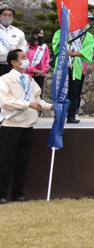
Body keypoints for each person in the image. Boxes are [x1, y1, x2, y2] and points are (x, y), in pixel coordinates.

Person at [0, 49, 45, 204]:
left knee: (23, 161)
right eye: (23, 57)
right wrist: (28, 104)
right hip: (11, 126)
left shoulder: (30, 80)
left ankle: (17, 194)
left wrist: (52, 107)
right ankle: (1, 194)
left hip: (27, 126)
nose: (26, 60)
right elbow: (6, 101)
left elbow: (38, 100)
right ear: (14, 62)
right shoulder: (4, 79)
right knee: (7, 161)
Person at [52, 23, 94, 124]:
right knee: (60, 91)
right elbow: (55, 43)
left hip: (76, 66)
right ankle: (58, 114)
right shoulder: (61, 32)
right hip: (62, 64)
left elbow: (88, 50)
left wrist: (74, 53)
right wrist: (62, 42)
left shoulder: (88, 36)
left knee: (74, 92)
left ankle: (71, 115)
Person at [0, 8, 27, 76]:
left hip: (13, 65)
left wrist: (17, 51)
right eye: (5, 15)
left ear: (12, 18)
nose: (7, 17)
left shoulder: (18, 32)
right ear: (0, 16)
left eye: (10, 15)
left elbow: (25, 47)